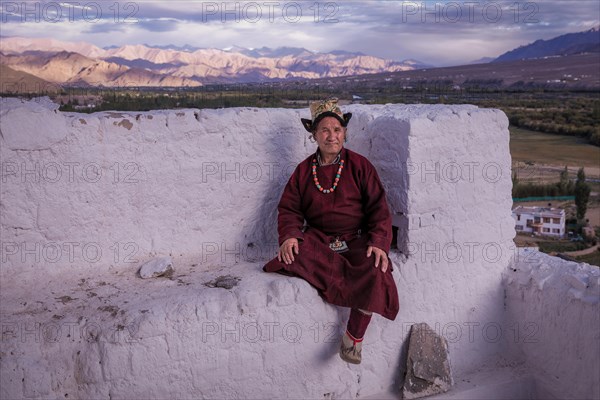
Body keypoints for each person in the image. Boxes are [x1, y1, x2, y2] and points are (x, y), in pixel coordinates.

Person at [263, 98, 399, 364]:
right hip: (320, 240)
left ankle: (353, 338)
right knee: (293, 255)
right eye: (324, 130)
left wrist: (380, 242)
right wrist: (290, 235)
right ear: (314, 135)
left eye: (337, 130)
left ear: (344, 133)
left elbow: (379, 209)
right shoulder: (304, 171)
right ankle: (336, 275)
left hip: (356, 239)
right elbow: (289, 209)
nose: (331, 136)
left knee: (376, 268)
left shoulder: (360, 166)